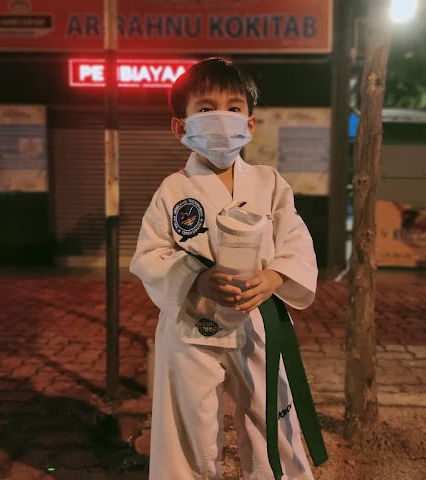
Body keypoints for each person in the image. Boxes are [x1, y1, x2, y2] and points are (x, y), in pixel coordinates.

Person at [130, 57, 323, 479]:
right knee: (190, 432)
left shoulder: (270, 183)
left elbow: (295, 241)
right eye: (205, 108)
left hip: (257, 322)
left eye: (233, 108)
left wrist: (273, 277)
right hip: (191, 327)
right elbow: (149, 255)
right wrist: (196, 276)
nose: (221, 117)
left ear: (250, 125)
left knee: (270, 420)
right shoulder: (173, 190)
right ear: (180, 126)